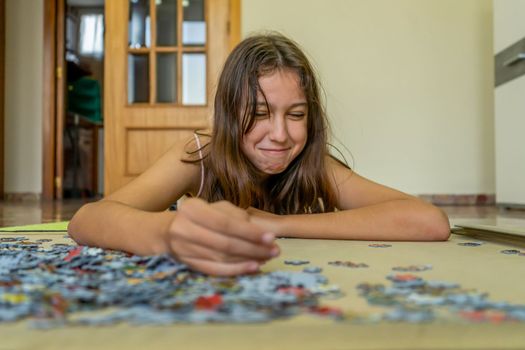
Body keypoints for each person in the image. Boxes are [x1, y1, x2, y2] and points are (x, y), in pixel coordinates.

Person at [68, 33, 450, 276]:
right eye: (260, 113)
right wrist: (171, 234)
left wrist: (276, 224)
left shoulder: (314, 164)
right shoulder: (202, 153)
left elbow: (428, 221)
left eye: (296, 115)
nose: (280, 135)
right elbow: (87, 220)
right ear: (228, 113)